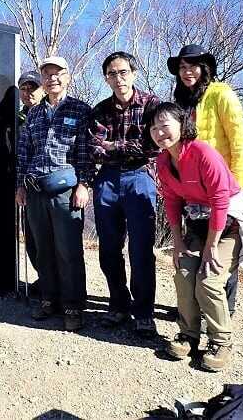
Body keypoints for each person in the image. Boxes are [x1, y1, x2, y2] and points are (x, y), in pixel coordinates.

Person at [148, 102, 243, 371]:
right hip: (197, 227)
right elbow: (171, 200)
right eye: (153, 128)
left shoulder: (203, 153)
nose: (159, 132)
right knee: (184, 273)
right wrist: (178, 242)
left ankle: (221, 341)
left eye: (165, 125)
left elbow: (220, 200)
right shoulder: (163, 161)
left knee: (209, 279)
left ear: (182, 125)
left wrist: (211, 246)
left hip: (228, 227)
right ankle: (188, 334)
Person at [168, 44, 243, 315]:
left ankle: (225, 308)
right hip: (193, 187)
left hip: (223, 184)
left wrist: (237, 185)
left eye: (192, 66)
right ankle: (194, 306)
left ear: (204, 68)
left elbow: (239, 140)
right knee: (199, 240)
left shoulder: (221, 93)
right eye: (182, 67)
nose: (187, 72)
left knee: (223, 247)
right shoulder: (181, 100)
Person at [16, 56, 92, 332]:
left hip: (65, 190)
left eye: (58, 73)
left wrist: (84, 184)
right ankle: (49, 299)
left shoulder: (80, 109)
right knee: (42, 248)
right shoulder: (34, 113)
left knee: (68, 250)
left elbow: (85, 151)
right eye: (47, 74)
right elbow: (24, 151)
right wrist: (20, 185)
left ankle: (73, 306)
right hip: (35, 188)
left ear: (67, 77)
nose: (52, 79)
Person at [88, 52, 161, 337]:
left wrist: (114, 146)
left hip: (140, 177)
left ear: (134, 73)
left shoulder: (152, 105)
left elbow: (153, 146)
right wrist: (125, 147)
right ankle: (118, 304)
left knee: (141, 248)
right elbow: (95, 148)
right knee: (109, 247)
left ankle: (143, 312)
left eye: (123, 72)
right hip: (107, 178)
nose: (118, 78)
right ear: (106, 78)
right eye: (112, 74)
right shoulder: (100, 109)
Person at [17, 70, 45, 293]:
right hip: (24, 183)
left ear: (42, 89)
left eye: (33, 88)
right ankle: (43, 278)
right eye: (24, 89)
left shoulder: (50, 112)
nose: (28, 93)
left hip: (49, 183)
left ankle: (60, 285)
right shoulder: (16, 118)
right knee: (31, 235)